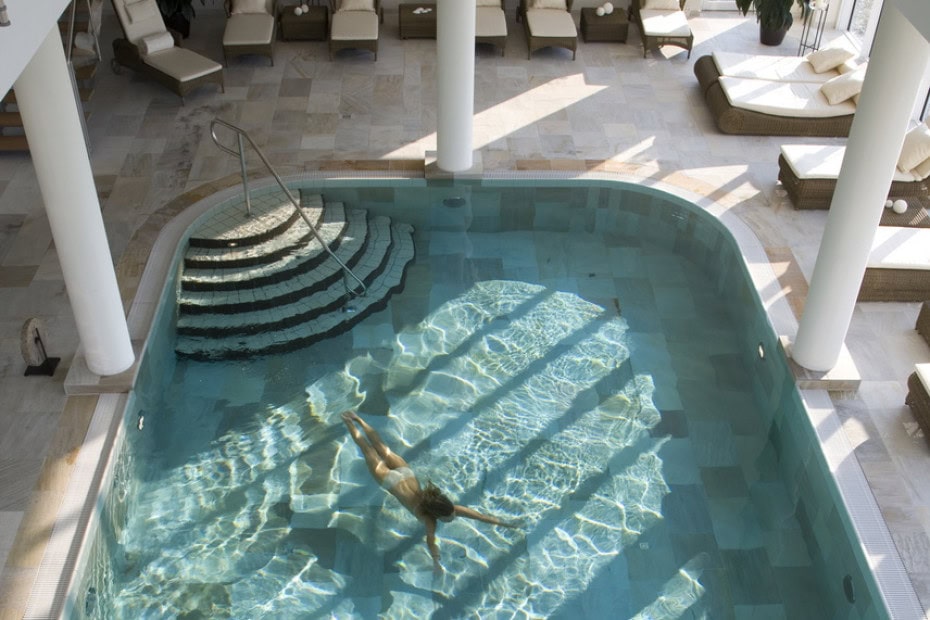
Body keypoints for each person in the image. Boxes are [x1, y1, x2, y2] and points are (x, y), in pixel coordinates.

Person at [341, 411, 516, 572]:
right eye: (451, 517)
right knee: (367, 449)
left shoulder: (448, 507)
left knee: (381, 447)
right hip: (389, 480)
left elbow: (480, 517)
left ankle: (358, 419)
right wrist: (436, 562)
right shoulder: (429, 519)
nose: (453, 516)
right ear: (438, 515)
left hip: (405, 473)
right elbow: (431, 540)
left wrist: (506, 523)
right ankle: (348, 422)